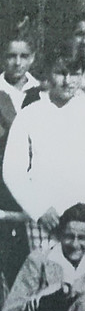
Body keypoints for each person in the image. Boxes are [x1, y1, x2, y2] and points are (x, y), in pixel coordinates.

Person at [4, 57, 85, 252]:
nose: (67, 81)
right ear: (48, 73)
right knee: (46, 271)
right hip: (47, 220)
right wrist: (39, 209)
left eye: (74, 74)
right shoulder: (30, 114)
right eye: (60, 73)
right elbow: (12, 171)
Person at [0, 30, 40, 289]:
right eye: (11, 56)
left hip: (33, 186)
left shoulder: (42, 91)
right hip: (1, 187)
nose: (17, 62)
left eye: (23, 56)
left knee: (31, 257)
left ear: (32, 58)